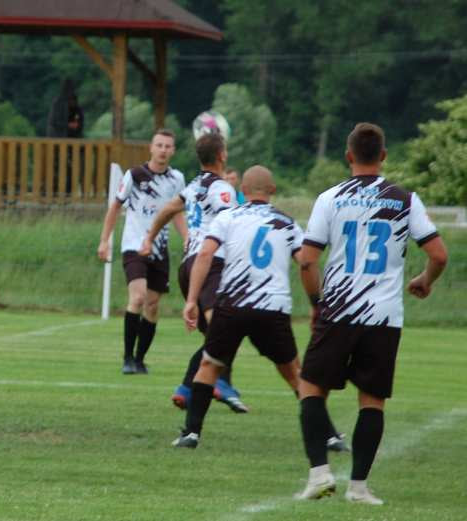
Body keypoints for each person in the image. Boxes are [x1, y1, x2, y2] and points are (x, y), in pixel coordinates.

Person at [294, 123, 447, 504]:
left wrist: (317, 305)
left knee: (311, 387)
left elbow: (307, 261)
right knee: (372, 400)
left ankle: (318, 475)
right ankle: (359, 488)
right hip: (383, 315)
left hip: (339, 311)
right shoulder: (405, 200)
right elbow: (439, 254)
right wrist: (425, 280)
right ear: (383, 157)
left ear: (348, 156)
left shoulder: (330, 198)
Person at [172, 166, 344, 451]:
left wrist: (191, 300)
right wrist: (317, 302)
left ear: (244, 192)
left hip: (232, 305)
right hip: (271, 307)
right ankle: (329, 436)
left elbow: (204, 253)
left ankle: (191, 433)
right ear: (273, 191)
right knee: (293, 373)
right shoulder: (286, 223)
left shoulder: (228, 217)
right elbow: (306, 263)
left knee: (209, 365)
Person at [141, 133, 247, 412]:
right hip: (210, 264)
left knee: (215, 336)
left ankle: (187, 388)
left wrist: (150, 237)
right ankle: (219, 383)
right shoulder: (222, 189)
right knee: (222, 331)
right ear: (222, 156)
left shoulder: (193, 186)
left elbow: (167, 210)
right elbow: (233, 221)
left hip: (188, 266)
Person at [98, 129, 187, 374]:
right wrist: (105, 241)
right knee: (137, 298)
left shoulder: (177, 179)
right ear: (151, 147)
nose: (163, 150)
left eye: (168, 146)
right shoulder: (134, 175)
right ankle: (127, 358)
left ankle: (139, 359)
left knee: (153, 305)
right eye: (159, 145)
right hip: (134, 246)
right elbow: (115, 207)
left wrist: (189, 239)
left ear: (173, 150)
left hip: (159, 249)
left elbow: (176, 213)